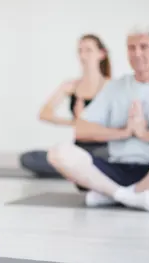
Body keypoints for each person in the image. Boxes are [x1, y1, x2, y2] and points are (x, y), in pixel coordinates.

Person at [48, 25, 149, 212]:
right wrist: (124, 132)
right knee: (59, 152)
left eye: (144, 47)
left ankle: (115, 194)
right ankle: (126, 195)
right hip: (114, 169)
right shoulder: (115, 87)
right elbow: (82, 130)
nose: (137, 53)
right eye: (131, 48)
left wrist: (143, 133)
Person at [20, 34, 110, 177]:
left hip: (103, 150)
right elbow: (44, 113)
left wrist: (87, 124)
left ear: (101, 54)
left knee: (108, 160)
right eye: (80, 51)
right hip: (78, 149)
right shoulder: (71, 86)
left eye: (88, 50)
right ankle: (77, 170)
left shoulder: (110, 86)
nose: (83, 55)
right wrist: (75, 122)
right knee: (29, 158)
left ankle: (79, 170)